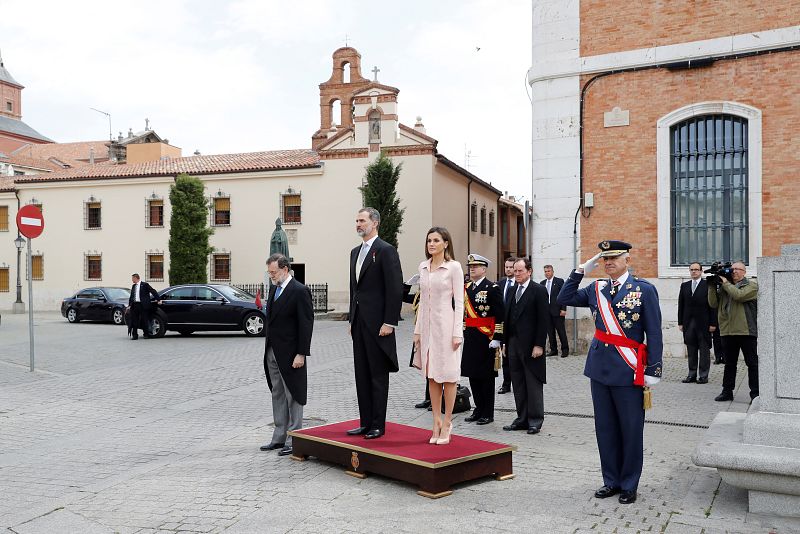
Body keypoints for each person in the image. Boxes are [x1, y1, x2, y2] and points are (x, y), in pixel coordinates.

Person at [558, 240, 663, 505]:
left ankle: (629, 483)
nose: (609, 263)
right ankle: (611, 481)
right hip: (599, 369)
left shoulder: (643, 290)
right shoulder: (596, 289)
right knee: (605, 429)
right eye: (604, 259)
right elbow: (564, 298)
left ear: (627, 259)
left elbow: (655, 331)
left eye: (614, 258)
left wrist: (654, 368)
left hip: (628, 370)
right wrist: (581, 270)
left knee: (630, 428)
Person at [347, 207, 403, 440]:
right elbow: (354, 289)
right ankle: (365, 422)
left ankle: (378, 424)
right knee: (362, 374)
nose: (358, 224)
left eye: (362, 220)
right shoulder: (354, 252)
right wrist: (351, 318)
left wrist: (389, 321)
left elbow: (395, 288)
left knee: (378, 375)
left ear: (375, 223)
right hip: (359, 322)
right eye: (356, 220)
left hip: (380, 324)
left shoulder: (386, 250)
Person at [413, 227, 464, 445]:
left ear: (446, 243)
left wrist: (457, 333)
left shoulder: (454, 267)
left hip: (447, 326)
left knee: (449, 375)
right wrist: (417, 331)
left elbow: (460, 302)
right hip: (427, 328)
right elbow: (422, 301)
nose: (431, 244)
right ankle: (435, 420)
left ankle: (448, 421)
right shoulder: (423, 267)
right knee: (431, 375)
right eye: (428, 241)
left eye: (436, 240)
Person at [260, 253, 313, 457]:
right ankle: (279, 436)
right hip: (273, 352)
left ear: (284, 269)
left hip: (292, 354)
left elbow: (306, 324)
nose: (271, 276)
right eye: (269, 272)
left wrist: (301, 353)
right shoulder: (274, 289)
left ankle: (295, 437)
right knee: (278, 393)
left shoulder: (299, 290)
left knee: (293, 394)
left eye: (273, 272)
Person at [502, 257, 549, 435]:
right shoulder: (513, 290)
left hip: (531, 346)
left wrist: (539, 345)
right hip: (513, 343)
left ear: (529, 271)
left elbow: (543, 320)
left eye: (520, 271)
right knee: (518, 382)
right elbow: (507, 317)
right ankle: (521, 418)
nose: (517, 274)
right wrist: (505, 342)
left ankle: (535, 420)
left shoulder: (538, 290)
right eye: (515, 271)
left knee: (532, 382)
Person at [461, 254, 504, 425]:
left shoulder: (492, 287)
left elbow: (500, 314)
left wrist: (498, 338)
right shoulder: (467, 288)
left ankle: (488, 412)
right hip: (471, 337)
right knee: (473, 375)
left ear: (484, 269)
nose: (472, 269)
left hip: (487, 338)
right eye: (470, 267)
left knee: (486, 378)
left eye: (476, 266)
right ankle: (478, 409)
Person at [709, 261, 758, 402]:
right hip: (727, 331)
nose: (734, 271)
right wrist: (712, 286)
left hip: (746, 331)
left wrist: (725, 283)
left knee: (752, 363)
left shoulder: (751, 286)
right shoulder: (726, 286)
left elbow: (739, 296)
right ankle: (727, 391)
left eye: (738, 269)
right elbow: (713, 303)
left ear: (744, 272)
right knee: (730, 364)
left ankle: (755, 393)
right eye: (733, 269)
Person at [677, 262, 716, 384]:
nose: (694, 272)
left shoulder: (708, 285)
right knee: (691, 349)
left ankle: (703, 375)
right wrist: (680, 322)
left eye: (696, 269)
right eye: (691, 270)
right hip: (689, 323)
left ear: (701, 271)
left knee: (704, 350)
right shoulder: (685, 286)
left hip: (704, 323)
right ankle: (691, 374)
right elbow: (681, 305)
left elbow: (713, 305)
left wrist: (713, 323)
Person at [403, 274, 431, 409]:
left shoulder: (434, 295)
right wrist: (408, 284)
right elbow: (401, 297)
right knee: (427, 367)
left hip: (434, 334)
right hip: (422, 334)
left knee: (436, 368)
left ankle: (437, 398)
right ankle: (429, 398)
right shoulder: (419, 296)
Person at [497, 257, 517, 394]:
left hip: (515, 326)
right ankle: (506, 384)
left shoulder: (520, 283)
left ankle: (518, 383)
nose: (508, 269)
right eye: (507, 267)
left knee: (515, 355)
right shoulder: (501, 283)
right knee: (504, 356)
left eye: (511, 267)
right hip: (502, 326)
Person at [541, 264, 569, 357]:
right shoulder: (542, 283)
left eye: (548, 271)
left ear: (552, 272)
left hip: (558, 311)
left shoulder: (559, 281)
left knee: (561, 331)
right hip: (546, 312)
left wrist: (563, 308)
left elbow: (564, 295)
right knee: (550, 332)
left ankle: (565, 350)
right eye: (545, 271)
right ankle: (554, 350)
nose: (547, 273)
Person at [127, 273, 159, 340]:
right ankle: (135, 335)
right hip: (135, 305)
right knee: (134, 320)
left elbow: (152, 290)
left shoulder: (144, 285)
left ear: (136, 278)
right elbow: (131, 296)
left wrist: (158, 299)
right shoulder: (133, 286)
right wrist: (129, 305)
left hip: (143, 305)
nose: (132, 280)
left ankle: (146, 334)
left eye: (133, 278)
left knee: (144, 320)